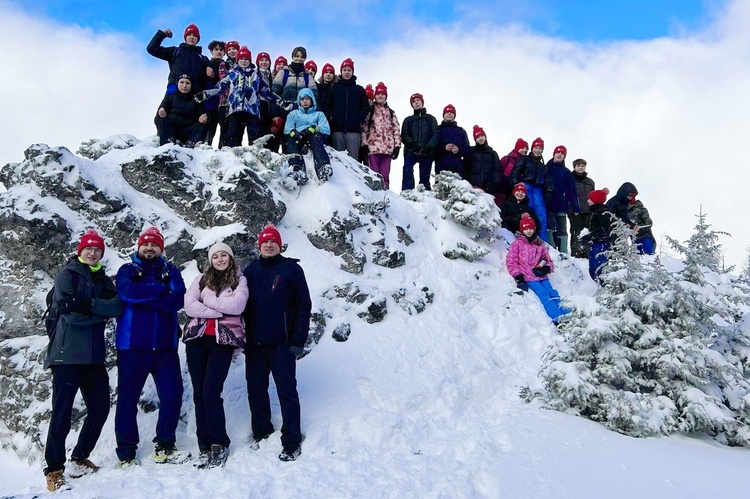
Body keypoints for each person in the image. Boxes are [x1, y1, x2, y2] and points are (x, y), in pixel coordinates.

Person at [42, 230, 122, 492]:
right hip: (66, 357)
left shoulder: (103, 279)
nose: (92, 253)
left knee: (100, 408)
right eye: (88, 249)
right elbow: (67, 312)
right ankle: (54, 470)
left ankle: (79, 458)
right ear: (80, 251)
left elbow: (118, 306)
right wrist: (99, 313)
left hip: (93, 358)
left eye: (97, 250)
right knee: (62, 414)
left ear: (101, 254)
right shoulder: (67, 274)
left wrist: (86, 304)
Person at [114, 227, 187, 466]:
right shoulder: (127, 270)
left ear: (161, 248)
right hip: (132, 347)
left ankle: (165, 444)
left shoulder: (171, 270)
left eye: (154, 245)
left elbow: (178, 299)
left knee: (173, 396)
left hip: (165, 349)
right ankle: (126, 452)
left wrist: (148, 297)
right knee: (127, 400)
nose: (149, 248)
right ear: (139, 247)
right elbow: (128, 292)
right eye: (146, 244)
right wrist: (160, 290)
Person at [242, 225, 312, 462]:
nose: (269, 245)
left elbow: (303, 305)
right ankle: (261, 432)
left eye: (273, 242)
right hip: (254, 343)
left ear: (279, 245)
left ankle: (291, 440)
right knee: (255, 389)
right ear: (259, 246)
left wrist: (298, 338)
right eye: (265, 242)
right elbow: (241, 306)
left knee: (286, 391)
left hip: (282, 343)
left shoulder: (292, 269)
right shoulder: (250, 270)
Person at [184, 243, 248, 469]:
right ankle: (205, 445)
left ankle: (220, 442)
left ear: (230, 258)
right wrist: (220, 311)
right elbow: (189, 305)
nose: (220, 259)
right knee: (199, 394)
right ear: (210, 261)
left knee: (211, 391)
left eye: (224, 255)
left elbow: (238, 305)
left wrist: (209, 302)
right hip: (196, 340)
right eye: (215, 256)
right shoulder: (201, 279)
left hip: (223, 342)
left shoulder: (239, 280)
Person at [196, 46, 293, 147]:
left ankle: (255, 155)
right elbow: (219, 88)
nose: (243, 61)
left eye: (246, 59)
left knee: (255, 135)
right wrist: (205, 94)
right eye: (241, 59)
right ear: (238, 60)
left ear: (250, 60)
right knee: (232, 135)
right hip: (235, 109)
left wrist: (281, 102)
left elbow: (267, 92)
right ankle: (231, 156)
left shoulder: (255, 75)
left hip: (252, 110)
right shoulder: (232, 74)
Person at [506, 215, 570, 324]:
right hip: (528, 276)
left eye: (530, 228)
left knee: (552, 292)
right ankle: (557, 318)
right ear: (522, 230)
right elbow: (511, 261)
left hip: (541, 275)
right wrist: (518, 276)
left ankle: (566, 314)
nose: (528, 231)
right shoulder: (517, 244)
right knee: (544, 294)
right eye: (526, 229)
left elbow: (548, 260)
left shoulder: (539, 244)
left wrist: (545, 269)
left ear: (534, 229)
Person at [284, 88, 333, 184]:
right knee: (291, 142)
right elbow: (287, 128)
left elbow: (326, 129)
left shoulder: (319, 114)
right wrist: (293, 132)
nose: (305, 101)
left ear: (312, 100)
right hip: (298, 135)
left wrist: (314, 129)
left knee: (316, 139)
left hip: (312, 135)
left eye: (307, 99)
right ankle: (296, 168)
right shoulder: (293, 114)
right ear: (299, 101)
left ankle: (323, 166)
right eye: (302, 99)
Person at [147, 24, 211, 95]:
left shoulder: (203, 59)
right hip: (174, 94)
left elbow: (211, 78)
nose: (192, 37)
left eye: (195, 35)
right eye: (189, 35)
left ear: (198, 39)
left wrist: (212, 74)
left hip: (195, 97)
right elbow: (152, 48)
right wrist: (162, 34)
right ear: (185, 37)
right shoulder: (175, 52)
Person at [361, 82, 401, 189]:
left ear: (386, 96)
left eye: (383, 94)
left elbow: (396, 129)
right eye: (378, 94)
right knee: (374, 174)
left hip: (387, 149)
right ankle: (375, 195)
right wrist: (364, 144)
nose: (380, 96)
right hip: (373, 148)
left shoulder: (391, 112)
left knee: (385, 174)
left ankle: (386, 194)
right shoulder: (371, 110)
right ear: (375, 96)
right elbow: (364, 127)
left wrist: (397, 146)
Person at [510, 137, 551, 238]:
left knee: (541, 215)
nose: (538, 150)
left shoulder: (542, 165)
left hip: (538, 189)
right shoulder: (524, 159)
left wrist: (549, 190)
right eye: (536, 147)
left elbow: (547, 179)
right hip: (526, 187)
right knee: (528, 212)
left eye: (540, 148)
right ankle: (527, 239)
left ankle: (542, 240)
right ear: (532, 149)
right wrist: (517, 184)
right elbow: (515, 172)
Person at [329, 58, 369, 160]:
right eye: (344, 70)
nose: (347, 72)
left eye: (349, 70)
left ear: (352, 72)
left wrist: (358, 118)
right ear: (341, 71)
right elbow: (328, 104)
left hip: (353, 130)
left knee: (353, 161)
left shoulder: (359, 89)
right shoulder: (334, 88)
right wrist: (332, 116)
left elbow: (365, 107)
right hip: (337, 129)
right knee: (337, 159)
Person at [155, 74, 208, 147]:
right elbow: (163, 109)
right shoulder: (170, 96)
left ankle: (192, 143)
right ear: (177, 84)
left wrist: (203, 117)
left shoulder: (197, 99)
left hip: (189, 130)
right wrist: (162, 112)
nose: (184, 86)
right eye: (182, 82)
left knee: (203, 124)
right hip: (173, 130)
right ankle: (168, 142)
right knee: (162, 119)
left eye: (187, 83)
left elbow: (203, 112)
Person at [400, 93, 439, 190]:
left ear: (422, 102)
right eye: (413, 102)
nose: (416, 103)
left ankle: (425, 194)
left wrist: (429, 147)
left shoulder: (430, 119)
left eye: (418, 100)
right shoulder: (408, 120)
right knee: (407, 169)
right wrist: (413, 144)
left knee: (425, 175)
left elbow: (436, 134)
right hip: (411, 150)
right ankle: (407, 192)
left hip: (427, 151)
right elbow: (404, 135)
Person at [545, 145, 580, 253]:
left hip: (561, 204)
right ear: (554, 154)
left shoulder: (566, 172)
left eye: (562, 153)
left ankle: (563, 251)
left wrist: (576, 206)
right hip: (548, 203)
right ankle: (551, 250)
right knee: (550, 227)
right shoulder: (546, 169)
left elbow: (572, 190)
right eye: (558, 152)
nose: (559, 155)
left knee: (561, 228)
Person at [464, 125, 502, 200]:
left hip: (489, 189)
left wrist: (493, 185)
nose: (480, 138)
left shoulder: (493, 153)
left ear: (485, 136)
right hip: (472, 188)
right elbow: (465, 168)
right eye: (477, 137)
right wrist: (467, 183)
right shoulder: (471, 152)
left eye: (482, 136)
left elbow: (497, 170)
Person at [583, 188, 613, 282]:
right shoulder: (595, 212)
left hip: (602, 244)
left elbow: (604, 229)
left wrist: (591, 236)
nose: (587, 201)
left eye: (590, 199)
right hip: (596, 243)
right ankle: (599, 287)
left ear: (595, 200)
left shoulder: (603, 212)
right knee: (593, 268)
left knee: (600, 268)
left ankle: (605, 288)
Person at [434, 104, 471, 177]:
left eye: (451, 112)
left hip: (457, 170)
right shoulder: (437, 130)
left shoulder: (461, 131)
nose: (449, 113)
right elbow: (432, 149)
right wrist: (444, 148)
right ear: (443, 115)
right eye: (447, 112)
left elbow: (468, 150)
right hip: (441, 169)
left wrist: (459, 150)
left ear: (454, 115)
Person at [569, 158, 595, 258]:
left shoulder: (590, 182)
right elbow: (567, 195)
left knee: (588, 232)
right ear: (574, 167)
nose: (581, 167)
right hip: (575, 211)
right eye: (578, 166)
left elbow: (593, 196)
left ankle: (587, 253)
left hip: (588, 210)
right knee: (576, 232)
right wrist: (571, 208)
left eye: (582, 165)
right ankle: (576, 254)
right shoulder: (570, 179)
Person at [257, 51, 282, 152]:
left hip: (271, 109)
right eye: (261, 60)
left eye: (266, 60)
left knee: (273, 136)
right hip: (258, 108)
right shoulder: (255, 74)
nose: (264, 62)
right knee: (259, 136)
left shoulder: (273, 77)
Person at [217, 41, 239, 148]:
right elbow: (223, 82)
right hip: (225, 103)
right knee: (225, 130)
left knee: (237, 131)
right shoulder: (224, 64)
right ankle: (222, 151)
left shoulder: (243, 64)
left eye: (234, 49)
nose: (232, 51)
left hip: (239, 104)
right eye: (229, 50)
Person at [205, 40, 226, 146]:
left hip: (223, 102)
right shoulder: (207, 63)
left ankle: (222, 150)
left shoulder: (227, 65)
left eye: (221, 50)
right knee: (209, 128)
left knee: (224, 129)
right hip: (210, 102)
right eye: (216, 49)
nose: (219, 52)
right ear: (211, 51)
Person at [499, 138, 529, 202]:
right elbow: (499, 171)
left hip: (517, 193)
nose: (525, 150)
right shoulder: (507, 159)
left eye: (526, 149)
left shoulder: (526, 163)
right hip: (502, 189)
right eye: (522, 148)